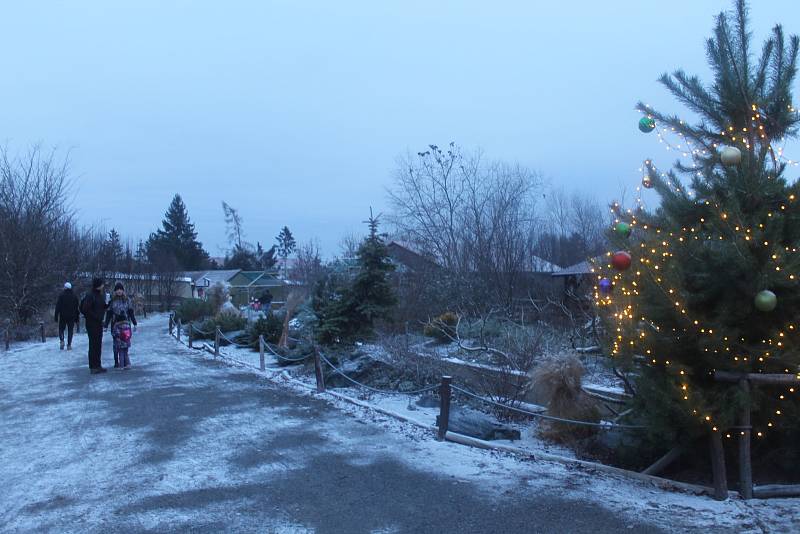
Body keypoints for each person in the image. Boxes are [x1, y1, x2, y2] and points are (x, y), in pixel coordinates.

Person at [104, 282, 137, 369]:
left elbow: (131, 312)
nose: (119, 291)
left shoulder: (127, 300)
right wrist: (106, 325)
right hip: (115, 325)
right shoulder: (112, 301)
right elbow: (109, 313)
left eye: (120, 289)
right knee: (116, 344)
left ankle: (126, 362)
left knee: (125, 344)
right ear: (115, 291)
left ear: (123, 290)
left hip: (125, 325)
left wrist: (134, 323)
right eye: (117, 289)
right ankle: (117, 361)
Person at [80, 277, 108, 374]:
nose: (103, 286)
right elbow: (86, 309)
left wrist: (107, 305)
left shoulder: (99, 295)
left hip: (98, 323)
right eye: (102, 284)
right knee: (93, 344)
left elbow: (102, 306)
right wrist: (96, 317)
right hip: (92, 323)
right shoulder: (90, 295)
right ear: (98, 285)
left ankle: (98, 365)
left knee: (98, 344)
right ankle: (93, 366)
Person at [54, 282, 79, 351]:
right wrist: (77, 318)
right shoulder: (74, 296)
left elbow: (58, 306)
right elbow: (76, 308)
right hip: (72, 317)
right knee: (70, 331)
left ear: (65, 287)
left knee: (61, 329)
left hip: (63, 316)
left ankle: (62, 340)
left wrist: (56, 316)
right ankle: (69, 345)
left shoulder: (61, 295)